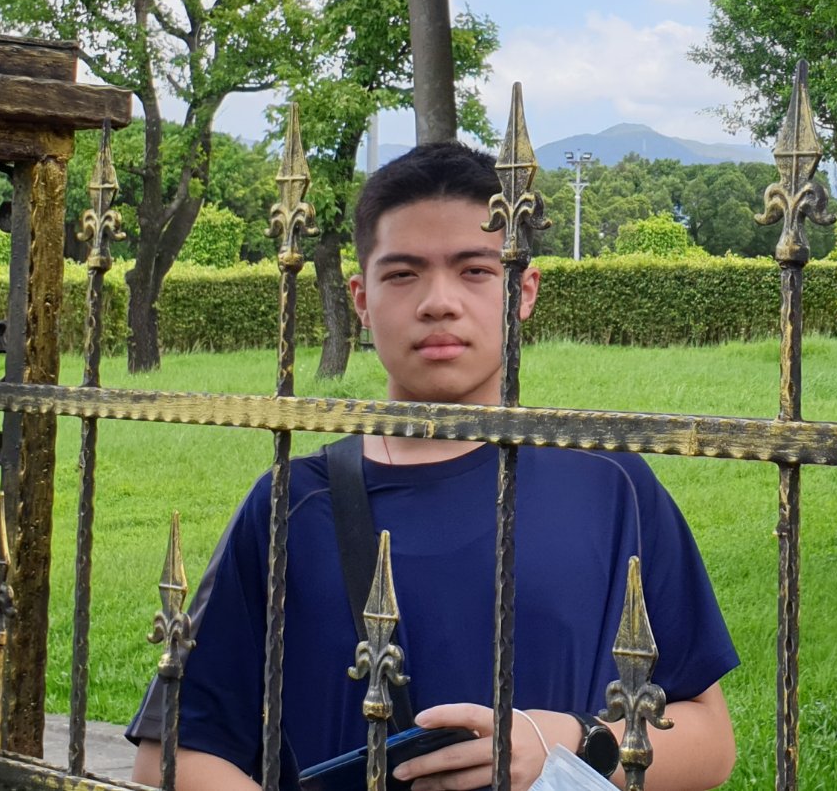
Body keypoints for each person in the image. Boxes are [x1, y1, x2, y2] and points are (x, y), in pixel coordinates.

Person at [128, 142, 740, 791]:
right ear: (361, 299)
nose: (438, 302)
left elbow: (709, 739)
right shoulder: (293, 504)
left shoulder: (609, 484)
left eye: (475, 270)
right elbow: (172, 756)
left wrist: (568, 744)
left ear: (524, 290)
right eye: (403, 274)